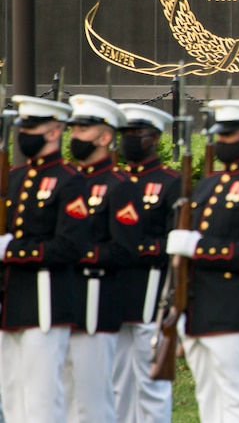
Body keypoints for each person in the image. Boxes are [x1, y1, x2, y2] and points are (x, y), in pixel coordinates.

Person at [166, 99, 239, 422]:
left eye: (229, 136)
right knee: (210, 404)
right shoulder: (208, 186)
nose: (220, 142)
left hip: (238, 313)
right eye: (219, 135)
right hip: (199, 311)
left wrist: (200, 248)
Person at [0, 96, 89, 423]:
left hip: (45, 301)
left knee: (41, 398)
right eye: (23, 127)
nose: (25, 133)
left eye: (32, 126)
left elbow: (70, 246)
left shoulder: (70, 180)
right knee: (11, 395)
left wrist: (11, 250)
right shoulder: (14, 177)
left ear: (55, 131)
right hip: (11, 301)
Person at [64, 94, 144, 423]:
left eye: (84, 128)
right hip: (60, 298)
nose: (75, 136)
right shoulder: (68, 181)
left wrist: (72, 252)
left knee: (93, 399)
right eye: (73, 128)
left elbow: (125, 249)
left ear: (105, 136)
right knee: (64, 396)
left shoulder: (119, 186)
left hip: (96, 302)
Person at [113, 103, 180, 423]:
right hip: (115, 289)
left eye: (134, 134)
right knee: (118, 383)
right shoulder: (114, 180)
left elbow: (173, 243)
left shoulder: (170, 182)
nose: (127, 140)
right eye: (123, 133)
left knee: (151, 383)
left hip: (151, 291)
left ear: (153, 138)